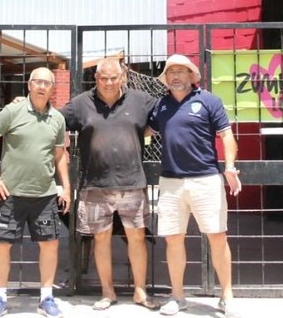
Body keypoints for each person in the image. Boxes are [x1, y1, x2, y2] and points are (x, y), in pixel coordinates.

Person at [59, 58, 159, 311]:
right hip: (95, 185)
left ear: (122, 76)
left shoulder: (140, 100)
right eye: (103, 78)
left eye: (114, 77)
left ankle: (139, 291)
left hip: (132, 183)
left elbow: (166, 112)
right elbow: (54, 120)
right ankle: (107, 292)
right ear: (96, 78)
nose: (109, 83)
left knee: (136, 238)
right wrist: (24, 104)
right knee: (100, 240)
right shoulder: (81, 104)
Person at [149, 54, 241, 318]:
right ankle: (177, 297)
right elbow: (145, 129)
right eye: (171, 72)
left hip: (206, 180)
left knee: (217, 236)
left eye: (181, 71)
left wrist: (230, 167)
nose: (176, 76)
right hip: (170, 182)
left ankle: (227, 295)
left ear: (192, 75)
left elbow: (226, 135)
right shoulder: (160, 106)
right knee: (173, 239)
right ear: (166, 79)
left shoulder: (209, 101)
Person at [0, 67, 71, 318]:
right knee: (1, 245)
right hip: (10, 195)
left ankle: (47, 298)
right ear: (29, 85)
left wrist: (66, 188)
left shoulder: (58, 119)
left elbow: (60, 155)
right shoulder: (12, 111)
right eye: (37, 82)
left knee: (50, 245)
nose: (42, 86)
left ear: (53, 88)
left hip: (45, 195)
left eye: (47, 83)